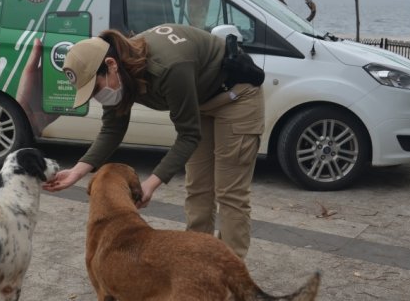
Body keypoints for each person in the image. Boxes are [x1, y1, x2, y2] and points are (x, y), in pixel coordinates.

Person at [43, 24, 265, 259]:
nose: (98, 98)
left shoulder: (168, 67)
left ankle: (229, 273)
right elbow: (113, 128)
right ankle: (198, 262)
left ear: (110, 65)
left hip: (237, 97)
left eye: (95, 89)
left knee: (230, 193)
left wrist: (150, 184)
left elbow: (188, 135)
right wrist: (77, 172)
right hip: (200, 99)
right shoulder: (119, 71)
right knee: (198, 188)